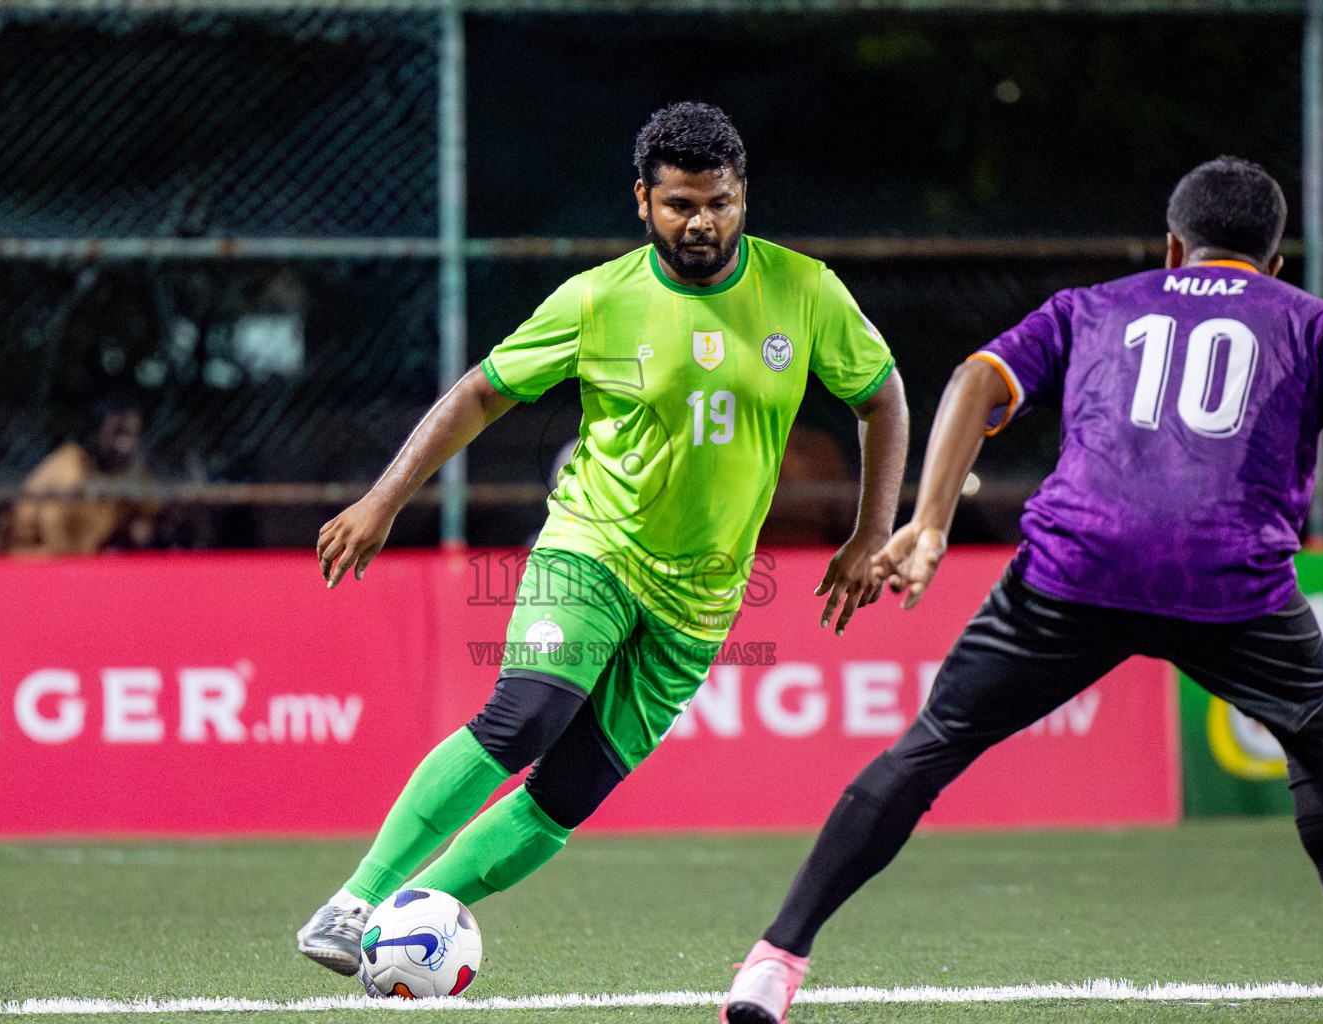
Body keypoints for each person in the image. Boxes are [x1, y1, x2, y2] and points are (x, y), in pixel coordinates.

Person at [722, 156, 1323, 1024]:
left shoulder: (1092, 306)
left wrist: (929, 521)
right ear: (1276, 262)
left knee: (930, 746)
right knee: (1322, 754)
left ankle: (773, 963)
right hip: (1230, 580)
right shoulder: (1319, 322)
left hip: (1078, 567)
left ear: (1173, 245)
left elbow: (974, 382)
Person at [298, 102, 909, 984]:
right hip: (594, 548)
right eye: (680, 204)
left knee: (568, 793)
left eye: (721, 202)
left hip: (701, 598)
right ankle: (356, 901)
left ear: (744, 196)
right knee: (526, 717)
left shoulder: (805, 291)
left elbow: (881, 397)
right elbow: (481, 391)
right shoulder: (598, 299)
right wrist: (385, 500)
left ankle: (400, 921)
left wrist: (870, 533)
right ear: (642, 201)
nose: (702, 221)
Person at [0, 396, 159, 555]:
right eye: (117, 434)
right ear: (95, 433)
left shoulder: (129, 469)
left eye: (130, 435)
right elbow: (54, 533)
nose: (124, 445)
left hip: (85, 561)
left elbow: (147, 516)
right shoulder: (69, 469)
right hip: (31, 560)